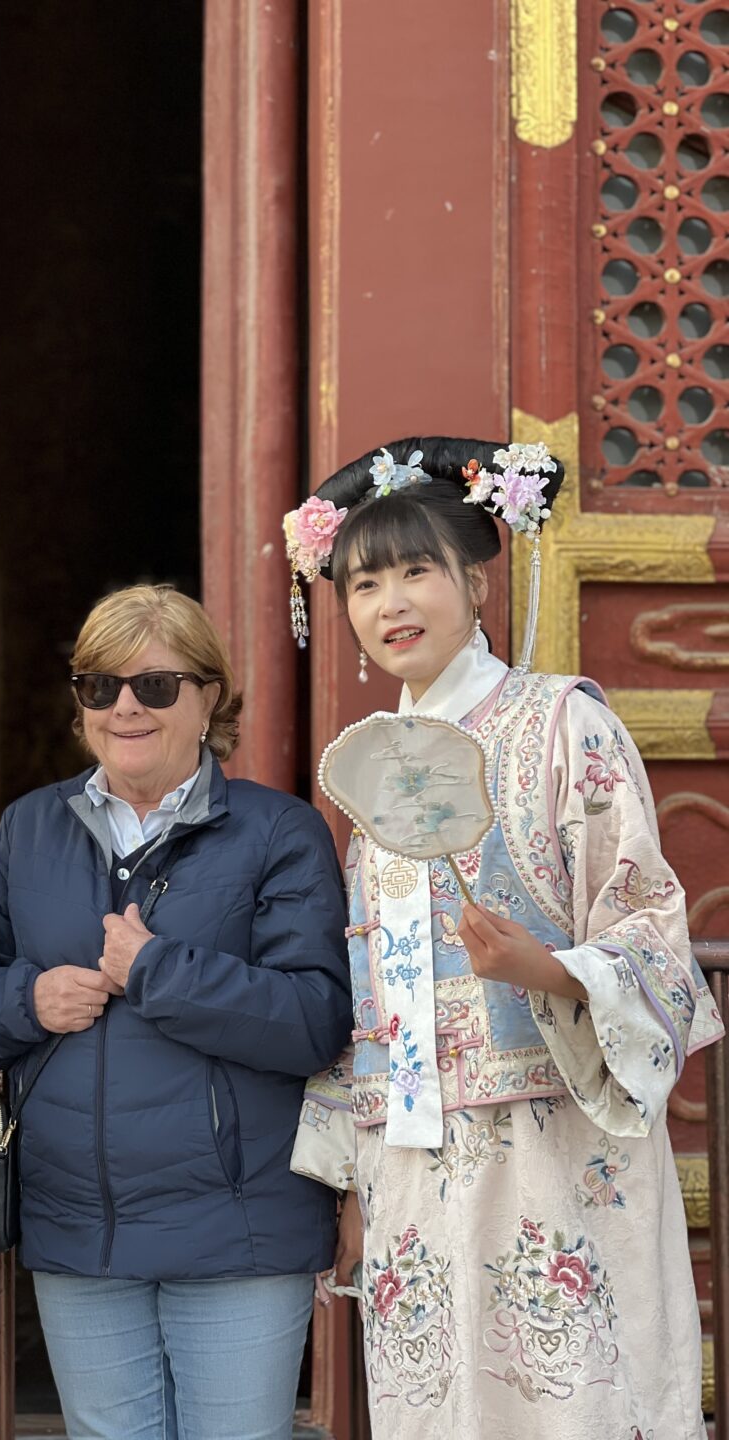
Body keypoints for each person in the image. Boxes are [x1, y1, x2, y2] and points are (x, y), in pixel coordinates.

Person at [285, 437, 722, 1438]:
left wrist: (544, 968)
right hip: (413, 1153)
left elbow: (652, 926)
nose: (390, 600)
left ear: (476, 582)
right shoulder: (370, 768)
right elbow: (367, 991)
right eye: (362, 582)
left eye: (416, 570)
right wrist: (352, 1178)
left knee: (570, 1403)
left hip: (557, 1147)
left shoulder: (564, 724)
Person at [0, 583, 351, 1440]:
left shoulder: (279, 832)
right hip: (75, 1226)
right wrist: (29, 998)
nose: (125, 707)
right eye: (100, 686)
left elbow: (315, 1018)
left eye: (156, 687)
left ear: (209, 698)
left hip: (239, 1228)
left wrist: (158, 970)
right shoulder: (30, 828)